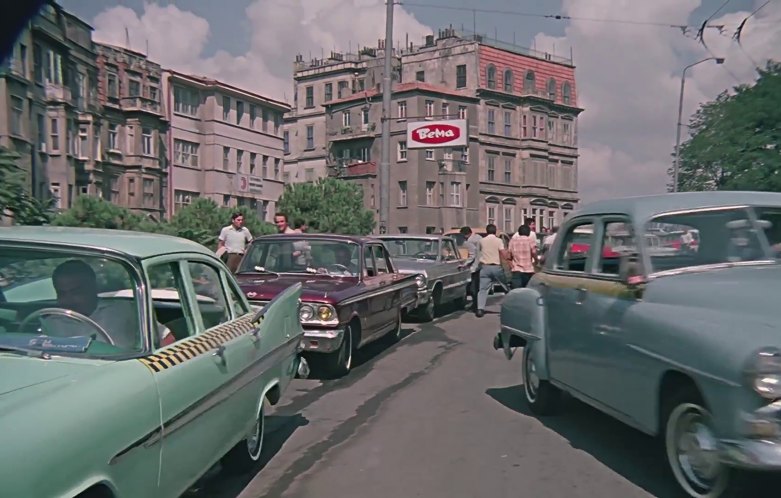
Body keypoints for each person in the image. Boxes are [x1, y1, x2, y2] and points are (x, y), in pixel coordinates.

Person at [43, 259, 173, 349]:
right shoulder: (50, 323)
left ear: (92, 288)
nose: (69, 300)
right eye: (62, 293)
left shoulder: (124, 311)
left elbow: (166, 337)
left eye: (76, 292)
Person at [475, 224, 504, 317]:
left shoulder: (481, 241)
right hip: (496, 267)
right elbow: (502, 252)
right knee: (506, 285)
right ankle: (512, 305)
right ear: (495, 231)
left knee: (482, 289)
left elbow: (478, 253)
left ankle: (480, 309)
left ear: (486, 231)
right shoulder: (499, 241)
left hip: (485, 267)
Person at [508, 224, 537, 288]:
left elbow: (509, 255)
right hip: (528, 270)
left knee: (517, 291)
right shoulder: (530, 240)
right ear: (528, 232)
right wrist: (536, 261)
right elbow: (534, 253)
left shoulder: (512, 241)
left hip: (516, 270)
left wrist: (511, 265)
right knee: (527, 290)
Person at [460, 226, 482, 311]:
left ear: (466, 234)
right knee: (477, 287)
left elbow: (472, 255)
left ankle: (475, 305)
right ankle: (477, 304)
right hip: (480, 265)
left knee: (473, 288)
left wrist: (465, 264)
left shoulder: (469, 241)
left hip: (474, 267)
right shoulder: (479, 237)